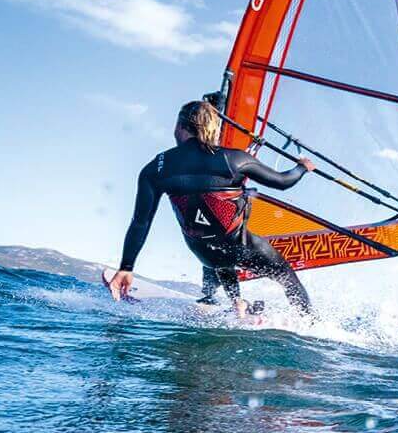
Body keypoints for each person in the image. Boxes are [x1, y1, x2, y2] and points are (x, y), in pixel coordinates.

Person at [107, 100, 315, 315]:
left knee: (217, 251)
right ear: (213, 128)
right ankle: (310, 323)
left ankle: (237, 303)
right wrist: (302, 168)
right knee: (284, 275)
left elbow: (140, 222)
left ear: (179, 127)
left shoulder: (156, 168)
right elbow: (282, 182)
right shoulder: (234, 159)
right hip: (240, 247)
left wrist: (126, 267)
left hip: (203, 253)